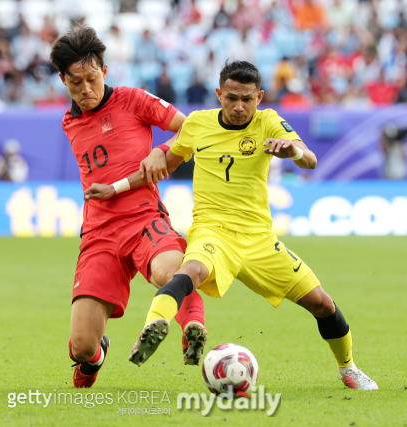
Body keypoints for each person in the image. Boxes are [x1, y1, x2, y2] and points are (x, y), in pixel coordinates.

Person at [99, 60, 378, 391]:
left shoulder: (268, 122)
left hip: (259, 239)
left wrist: (292, 150)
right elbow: (162, 167)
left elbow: (310, 158)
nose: (239, 106)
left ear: (259, 97)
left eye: (247, 99)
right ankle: (155, 323)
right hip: (212, 231)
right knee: (191, 273)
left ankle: (348, 368)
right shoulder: (198, 125)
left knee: (322, 303)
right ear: (219, 94)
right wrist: (115, 188)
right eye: (231, 98)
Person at [50, 25, 207, 389]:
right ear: (62, 80)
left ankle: (193, 327)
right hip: (99, 234)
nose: (86, 89)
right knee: (81, 347)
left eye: (92, 78)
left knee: (171, 271)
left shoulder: (133, 100)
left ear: (104, 71)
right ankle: (96, 355)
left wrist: (161, 150)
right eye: (75, 83)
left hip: (144, 219)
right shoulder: (69, 122)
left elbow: (192, 129)